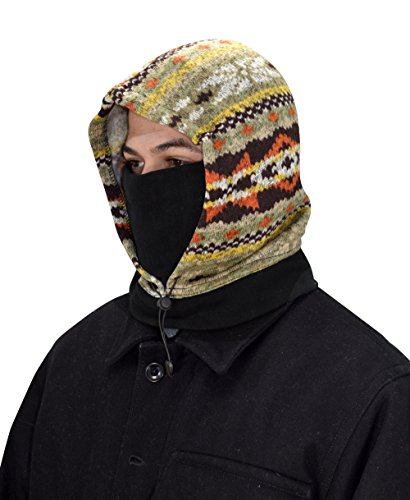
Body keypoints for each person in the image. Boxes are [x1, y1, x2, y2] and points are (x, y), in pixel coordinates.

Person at [1, 37, 409, 499]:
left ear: (249, 172)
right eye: (133, 165)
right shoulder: (77, 359)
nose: (147, 188)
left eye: (175, 161)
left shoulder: (365, 394)